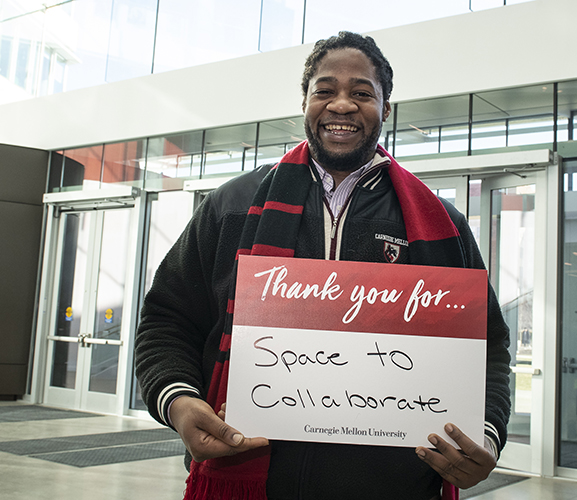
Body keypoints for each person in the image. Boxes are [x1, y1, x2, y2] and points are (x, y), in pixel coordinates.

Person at [135, 31, 511, 500]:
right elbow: (167, 317)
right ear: (306, 102)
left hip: (396, 486)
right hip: (250, 479)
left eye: (362, 93)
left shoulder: (441, 226)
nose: (342, 106)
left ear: (385, 110)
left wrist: (488, 435)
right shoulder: (231, 206)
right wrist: (179, 400)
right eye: (326, 90)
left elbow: (488, 347)